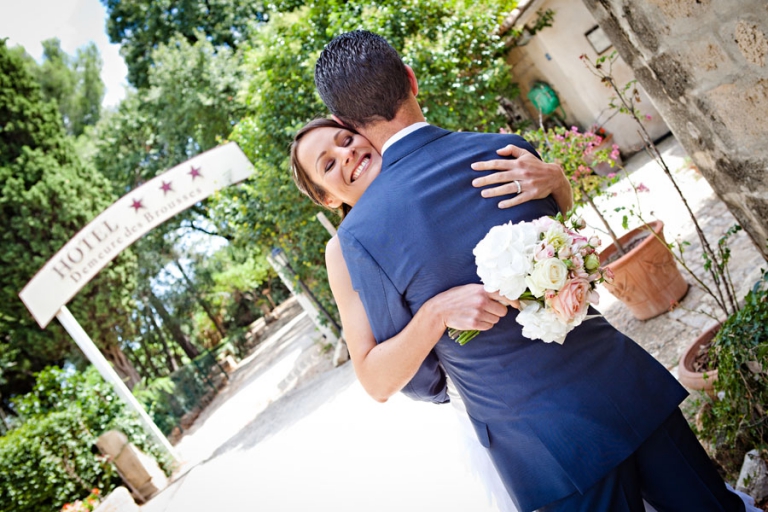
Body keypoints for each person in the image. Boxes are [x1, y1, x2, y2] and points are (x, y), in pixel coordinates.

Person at [302, 30, 748, 512]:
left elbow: (414, 381)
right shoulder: (506, 151)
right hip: (623, 384)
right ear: (411, 79)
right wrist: (558, 187)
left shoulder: (361, 241)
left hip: (545, 447)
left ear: (349, 122)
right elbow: (568, 247)